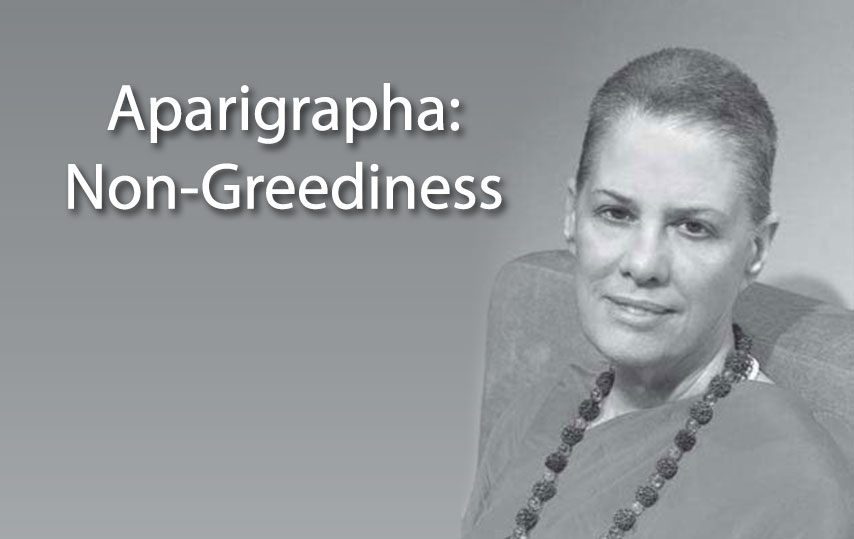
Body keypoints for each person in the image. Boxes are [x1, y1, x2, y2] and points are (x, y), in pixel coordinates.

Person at [461, 48, 854, 539]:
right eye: (616, 213)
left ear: (755, 251)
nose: (644, 264)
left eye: (693, 227)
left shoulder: (792, 485)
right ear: (572, 217)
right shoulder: (541, 412)